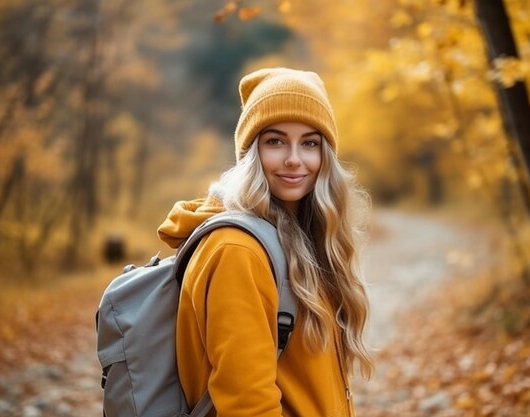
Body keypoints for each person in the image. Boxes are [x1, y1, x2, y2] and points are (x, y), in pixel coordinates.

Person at [158, 67, 374, 417]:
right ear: (250, 153)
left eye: (309, 143)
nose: (294, 158)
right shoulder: (237, 251)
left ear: (325, 155)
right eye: (275, 141)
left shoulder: (298, 240)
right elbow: (247, 405)